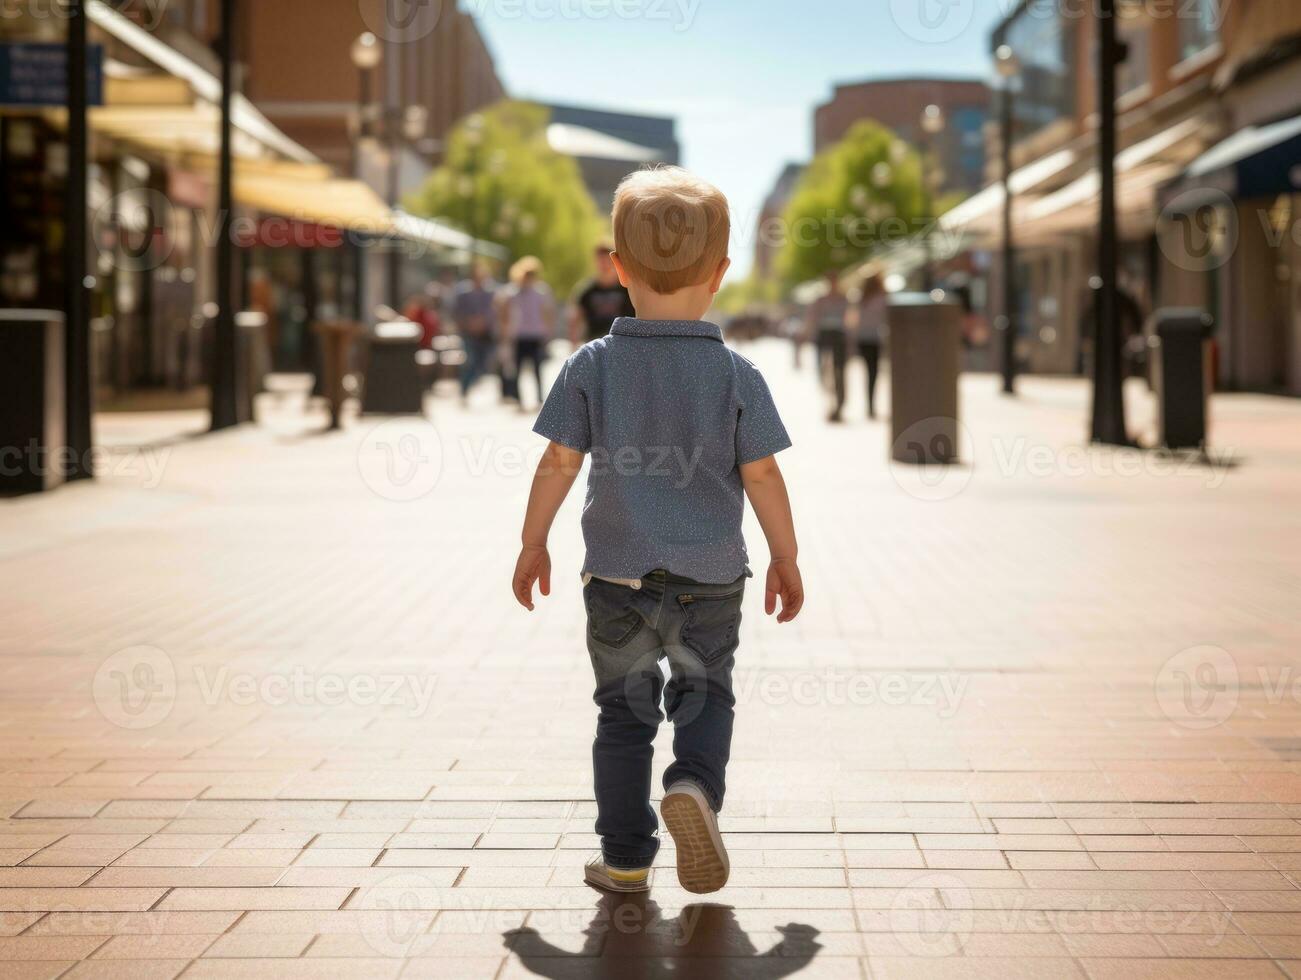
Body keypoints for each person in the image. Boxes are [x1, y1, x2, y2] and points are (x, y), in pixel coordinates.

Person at [511, 166, 804, 897]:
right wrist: (785, 556)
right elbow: (762, 476)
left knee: (622, 716)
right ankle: (694, 787)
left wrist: (532, 540)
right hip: (710, 578)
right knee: (705, 696)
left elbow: (558, 460)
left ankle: (624, 859)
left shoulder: (591, 365)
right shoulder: (737, 373)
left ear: (616, 269)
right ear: (721, 273)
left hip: (615, 575)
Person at [498, 256, 557, 411]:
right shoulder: (513, 292)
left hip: (536, 335)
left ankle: (538, 398)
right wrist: (505, 332)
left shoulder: (541, 291)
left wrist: (548, 331)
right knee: (517, 368)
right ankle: (518, 398)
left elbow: (548, 312)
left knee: (537, 368)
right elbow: (503, 311)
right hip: (519, 335)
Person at [803, 270, 851, 422]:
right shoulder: (820, 300)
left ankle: (839, 404)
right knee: (825, 371)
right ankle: (831, 404)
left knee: (839, 371)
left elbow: (850, 320)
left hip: (838, 336)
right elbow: (812, 318)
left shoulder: (844, 299)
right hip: (824, 337)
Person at [569, 242, 636, 345]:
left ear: (615, 262)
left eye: (607, 260)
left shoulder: (628, 288)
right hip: (595, 345)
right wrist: (574, 343)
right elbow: (575, 318)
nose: (604, 264)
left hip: (623, 344)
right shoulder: (587, 290)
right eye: (600, 260)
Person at [451, 262, 499, 402]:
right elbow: (456, 312)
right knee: (470, 361)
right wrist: (468, 323)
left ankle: (469, 384)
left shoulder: (490, 292)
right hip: (468, 331)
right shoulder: (462, 292)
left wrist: (483, 323)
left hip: (485, 333)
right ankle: (464, 388)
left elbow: (493, 311)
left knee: (482, 363)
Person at [851, 273, 888, 420]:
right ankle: (871, 406)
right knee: (873, 372)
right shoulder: (881, 298)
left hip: (863, 339)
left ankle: (870, 405)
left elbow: (854, 320)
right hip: (874, 339)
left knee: (869, 372)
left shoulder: (860, 298)